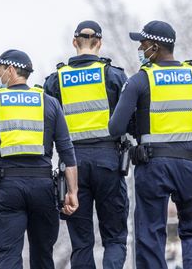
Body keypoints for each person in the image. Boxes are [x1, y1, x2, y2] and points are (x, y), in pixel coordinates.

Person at [108, 20, 192, 269]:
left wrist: (137, 123)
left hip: (152, 166)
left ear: (155, 46)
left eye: (142, 43)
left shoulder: (140, 80)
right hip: (190, 166)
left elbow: (115, 128)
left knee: (150, 233)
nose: (140, 48)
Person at [0, 49, 79, 269]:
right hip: (43, 188)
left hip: (8, 189)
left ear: (10, 70)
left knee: (9, 256)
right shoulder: (49, 103)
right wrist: (72, 191)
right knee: (42, 256)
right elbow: (67, 150)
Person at [43, 20, 129, 269]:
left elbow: (48, 123)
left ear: (74, 43)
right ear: (99, 43)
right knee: (114, 238)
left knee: (81, 242)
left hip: (73, 166)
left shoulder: (55, 80)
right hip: (108, 163)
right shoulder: (114, 76)